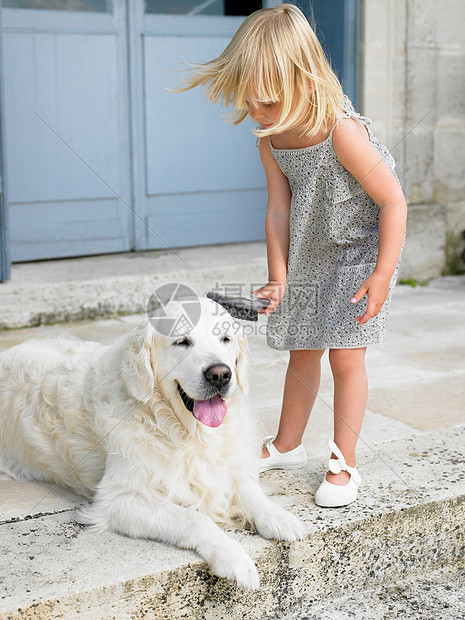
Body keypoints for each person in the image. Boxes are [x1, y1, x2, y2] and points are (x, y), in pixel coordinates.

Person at [179, 4, 407, 507]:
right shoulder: (270, 134)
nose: (256, 115)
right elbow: (278, 208)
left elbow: (393, 201)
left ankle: (344, 463)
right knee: (303, 350)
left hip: (361, 247)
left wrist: (383, 274)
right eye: (249, 103)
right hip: (314, 245)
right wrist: (278, 275)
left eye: (267, 102)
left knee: (346, 355)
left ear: (303, 79)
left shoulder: (340, 131)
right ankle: (287, 443)